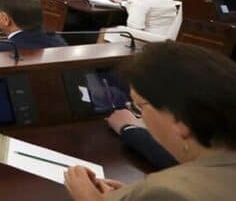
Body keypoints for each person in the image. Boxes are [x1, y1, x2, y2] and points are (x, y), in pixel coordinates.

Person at [64, 42, 236, 201]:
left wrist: (88, 198)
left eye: (139, 106)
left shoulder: (168, 190)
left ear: (180, 121)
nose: (140, 117)